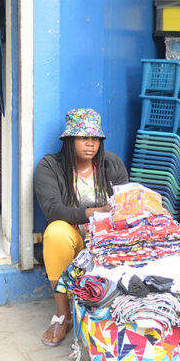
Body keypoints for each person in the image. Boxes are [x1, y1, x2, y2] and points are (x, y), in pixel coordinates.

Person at [34, 108, 129, 346]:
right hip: (74, 241)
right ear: (69, 140)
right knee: (55, 231)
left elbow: (125, 203)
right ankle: (63, 315)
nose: (91, 144)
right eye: (84, 137)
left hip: (105, 241)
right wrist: (97, 212)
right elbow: (53, 210)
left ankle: (116, 311)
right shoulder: (49, 166)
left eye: (96, 138)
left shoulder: (111, 163)